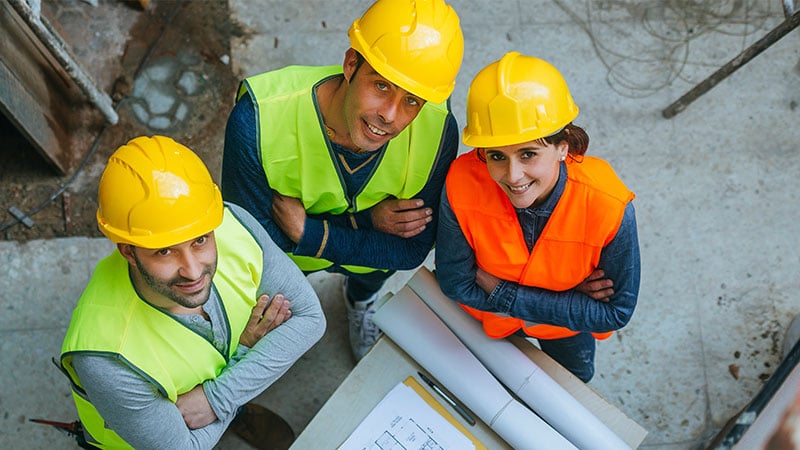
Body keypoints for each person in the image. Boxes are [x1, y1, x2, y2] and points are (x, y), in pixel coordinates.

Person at [221, 0, 464, 361]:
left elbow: (412, 250)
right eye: (381, 86)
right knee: (277, 294)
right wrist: (370, 225)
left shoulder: (438, 131)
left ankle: (359, 299)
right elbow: (251, 243)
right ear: (351, 64)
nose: (390, 116)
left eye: (412, 101)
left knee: (369, 280)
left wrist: (310, 233)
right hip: (294, 266)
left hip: (353, 261)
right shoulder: (257, 120)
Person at [59, 136, 325, 449]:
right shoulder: (106, 359)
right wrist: (248, 363)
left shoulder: (233, 225)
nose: (194, 271)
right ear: (128, 251)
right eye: (164, 251)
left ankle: (233, 411)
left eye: (200, 240)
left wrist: (217, 398)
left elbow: (311, 319)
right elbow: (185, 447)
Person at [435, 52, 640, 383]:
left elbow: (614, 313)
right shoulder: (462, 181)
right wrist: (569, 295)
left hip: (553, 328)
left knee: (575, 381)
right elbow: (454, 282)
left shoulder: (609, 205)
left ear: (563, 147)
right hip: (493, 320)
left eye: (528, 154)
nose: (513, 175)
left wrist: (502, 292)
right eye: (496, 156)